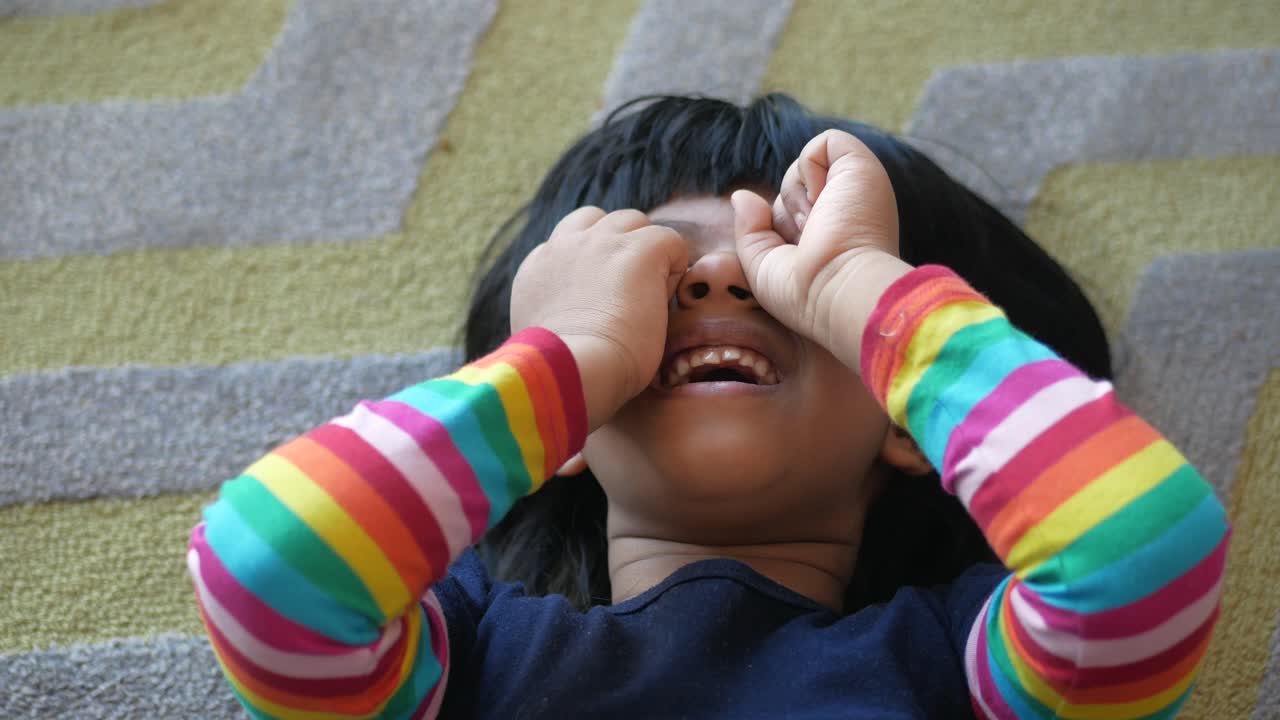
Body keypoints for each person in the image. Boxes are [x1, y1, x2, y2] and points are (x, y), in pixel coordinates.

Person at [187, 94, 1228, 719]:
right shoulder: (464, 654)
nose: (715, 283)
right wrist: (564, 358)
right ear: (558, 442)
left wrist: (855, 288)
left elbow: (1141, 551)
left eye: (775, 277)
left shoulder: (959, 668)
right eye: (655, 278)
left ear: (909, 422)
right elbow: (265, 570)